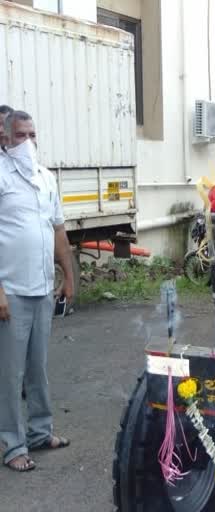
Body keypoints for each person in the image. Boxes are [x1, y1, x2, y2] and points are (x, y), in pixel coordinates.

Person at [0, 110, 74, 472]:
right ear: (6, 138)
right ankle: (12, 446)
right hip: (10, 292)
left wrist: (68, 276)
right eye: (20, 135)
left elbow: (58, 230)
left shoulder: (46, 179)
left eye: (32, 135)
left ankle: (40, 433)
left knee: (37, 368)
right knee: (9, 373)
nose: (27, 142)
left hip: (42, 288)